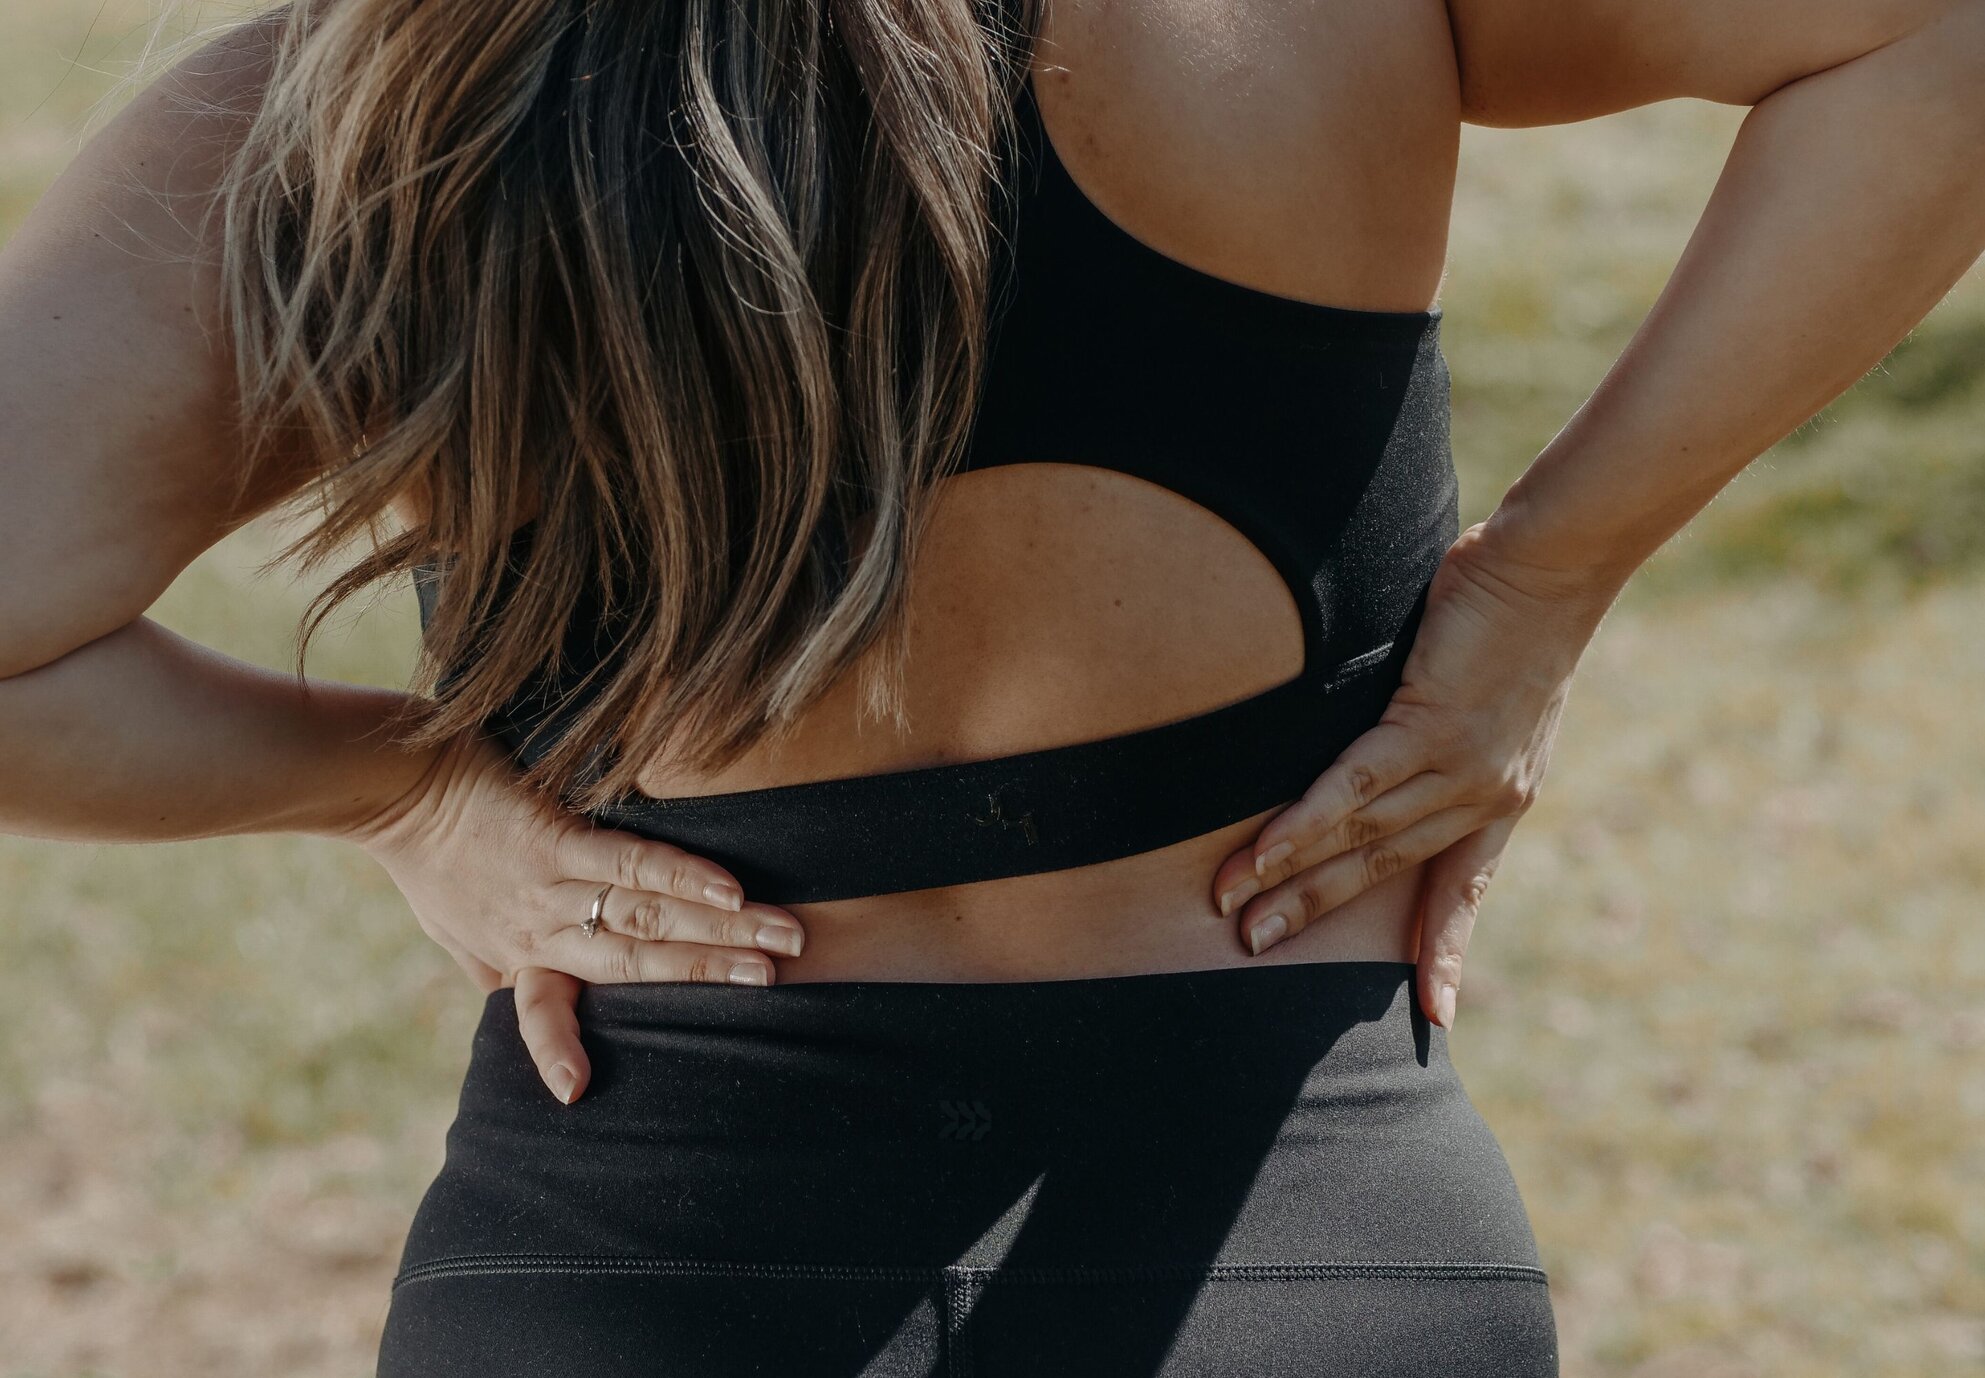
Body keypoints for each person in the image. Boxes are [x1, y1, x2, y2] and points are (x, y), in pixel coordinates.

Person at [3, 0, 1981, 1372]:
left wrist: (397, 788)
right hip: (1310, 1246)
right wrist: (1541, 588)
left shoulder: (357, 100)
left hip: (643, 1270)